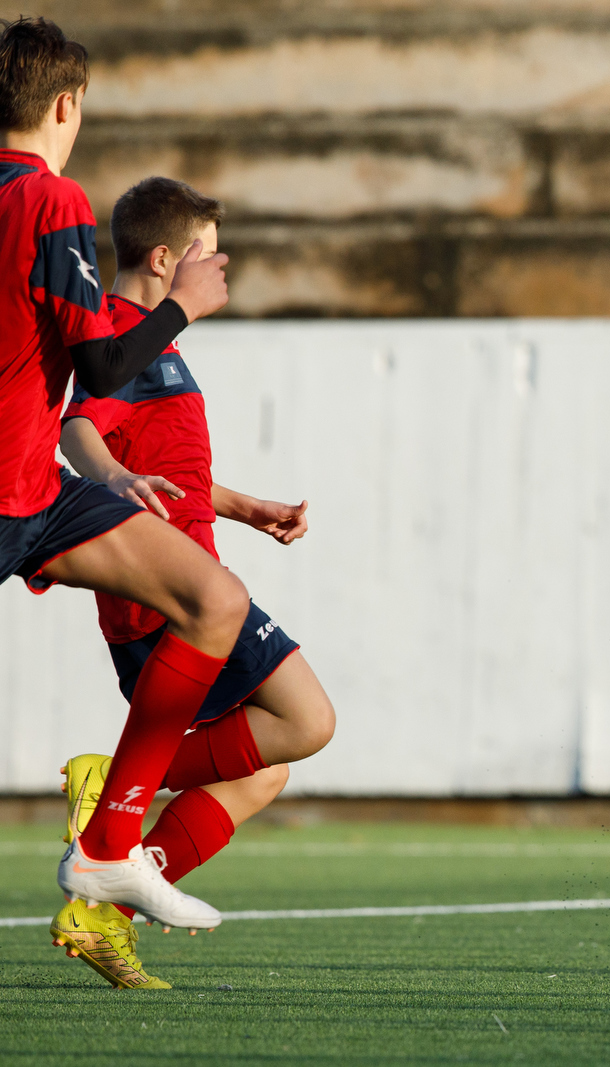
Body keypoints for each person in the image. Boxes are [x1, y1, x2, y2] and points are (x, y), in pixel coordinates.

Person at [52, 177, 336, 989]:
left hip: (194, 585)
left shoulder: (157, 343)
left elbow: (167, 469)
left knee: (263, 771)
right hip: (167, 603)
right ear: (167, 258)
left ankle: (108, 904)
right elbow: (80, 424)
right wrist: (108, 477)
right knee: (308, 719)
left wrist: (245, 506)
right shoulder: (116, 330)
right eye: (208, 256)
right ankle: (115, 794)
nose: (221, 271)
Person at [0, 16, 238, 966]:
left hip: (38, 488)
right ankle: (105, 844)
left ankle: (107, 848)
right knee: (213, 604)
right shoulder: (51, 197)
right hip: (16, 487)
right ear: (68, 105)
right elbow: (100, 367)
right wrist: (185, 303)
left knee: (213, 599)